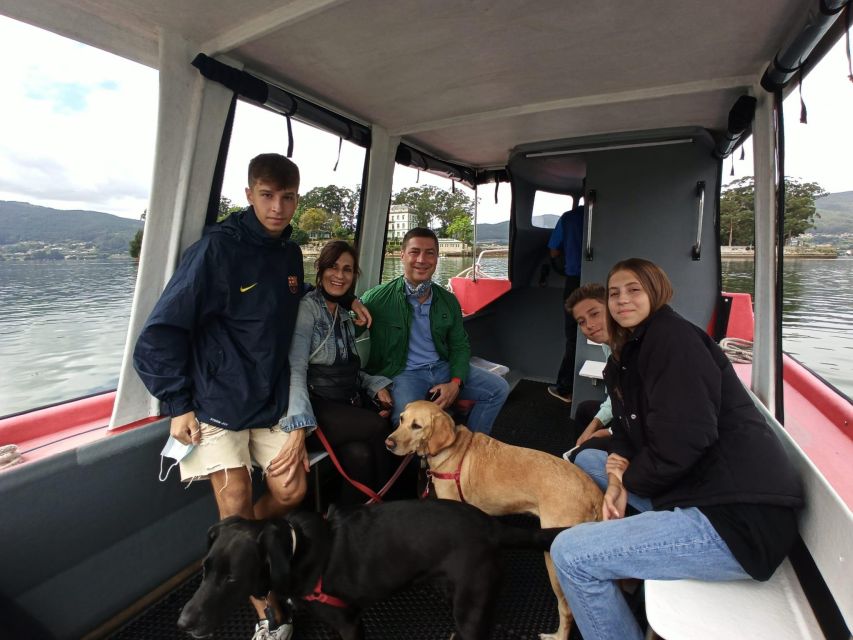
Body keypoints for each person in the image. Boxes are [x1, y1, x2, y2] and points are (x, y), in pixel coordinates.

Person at [134, 153, 367, 640]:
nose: (277, 207)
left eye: (286, 198)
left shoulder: (288, 253)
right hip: (216, 404)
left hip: (266, 401)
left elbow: (288, 298)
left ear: (297, 199)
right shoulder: (216, 251)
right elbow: (158, 336)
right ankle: (267, 611)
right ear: (248, 195)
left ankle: (237, 550)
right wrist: (178, 404)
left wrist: (346, 300)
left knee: (291, 491)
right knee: (236, 501)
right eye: (266, 196)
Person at [550, 258, 803, 640]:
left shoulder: (674, 342)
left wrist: (622, 481)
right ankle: (629, 553)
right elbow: (625, 430)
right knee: (587, 458)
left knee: (571, 554)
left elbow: (683, 444)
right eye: (615, 292)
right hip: (693, 488)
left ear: (657, 290)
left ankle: (618, 562)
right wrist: (617, 473)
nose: (622, 300)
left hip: (736, 521)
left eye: (633, 290)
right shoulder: (627, 355)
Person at [276, 240, 394, 505]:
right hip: (314, 408)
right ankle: (392, 509)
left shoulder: (343, 314)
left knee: (359, 455)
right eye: (333, 267)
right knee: (379, 426)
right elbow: (295, 370)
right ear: (320, 269)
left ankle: (348, 524)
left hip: (342, 405)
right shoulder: (308, 309)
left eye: (347, 270)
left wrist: (375, 385)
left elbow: (349, 367)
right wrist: (298, 425)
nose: (339, 275)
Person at [361, 227, 510, 434]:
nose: (422, 259)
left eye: (429, 253)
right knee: (402, 421)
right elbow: (351, 326)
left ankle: (471, 448)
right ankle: (423, 465)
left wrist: (456, 383)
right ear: (402, 255)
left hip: (443, 367)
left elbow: (460, 345)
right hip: (405, 373)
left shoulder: (447, 300)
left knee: (498, 389)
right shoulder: (377, 298)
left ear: (436, 258)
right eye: (414, 252)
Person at [561, 283, 612, 460]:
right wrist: (592, 427)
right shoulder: (609, 346)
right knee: (584, 409)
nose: (589, 325)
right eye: (581, 322)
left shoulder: (636, 352)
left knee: (585, 453)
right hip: (625, 413)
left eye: (595, 314)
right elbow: (616, 398)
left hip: (645, 430)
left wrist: (609, 431)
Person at [546, 202, 584, 403]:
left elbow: (553, 251)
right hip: (604, 279)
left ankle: (565, 388)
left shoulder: (569, 217)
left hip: (574, 281)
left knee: (574, 336)